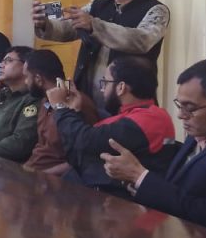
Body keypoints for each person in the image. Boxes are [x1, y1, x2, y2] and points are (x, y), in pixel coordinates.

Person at [102, 58, 206, 238]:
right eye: (179, 105)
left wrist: (140, 177)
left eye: (190, 108)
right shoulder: (202, 130)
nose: (181, 115)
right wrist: (135, 179)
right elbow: (179, 187)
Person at [33, 0, 170, 110]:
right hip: (87, 99)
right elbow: (67, 29)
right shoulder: (97, 5)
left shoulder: (156, 10)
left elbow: (141, 40)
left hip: (128, 103)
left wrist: (94, 25)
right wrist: (44, 24)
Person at [49, 56, 175, 194]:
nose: (102, 90)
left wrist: (61, 108)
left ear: (121, 87)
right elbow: (80, 153)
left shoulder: (150, 119)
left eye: (105, 82)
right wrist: (74, 111)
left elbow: (85, 141)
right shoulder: (132, 115)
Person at [23, 49, 98, 175]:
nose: (25, 82)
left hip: (54, 179)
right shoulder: (45, 100)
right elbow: (43, 147)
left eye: (26, 77)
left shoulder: (79, 103)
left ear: (38, 79)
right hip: (31, 171)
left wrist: (42, 175)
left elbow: (86, 158)